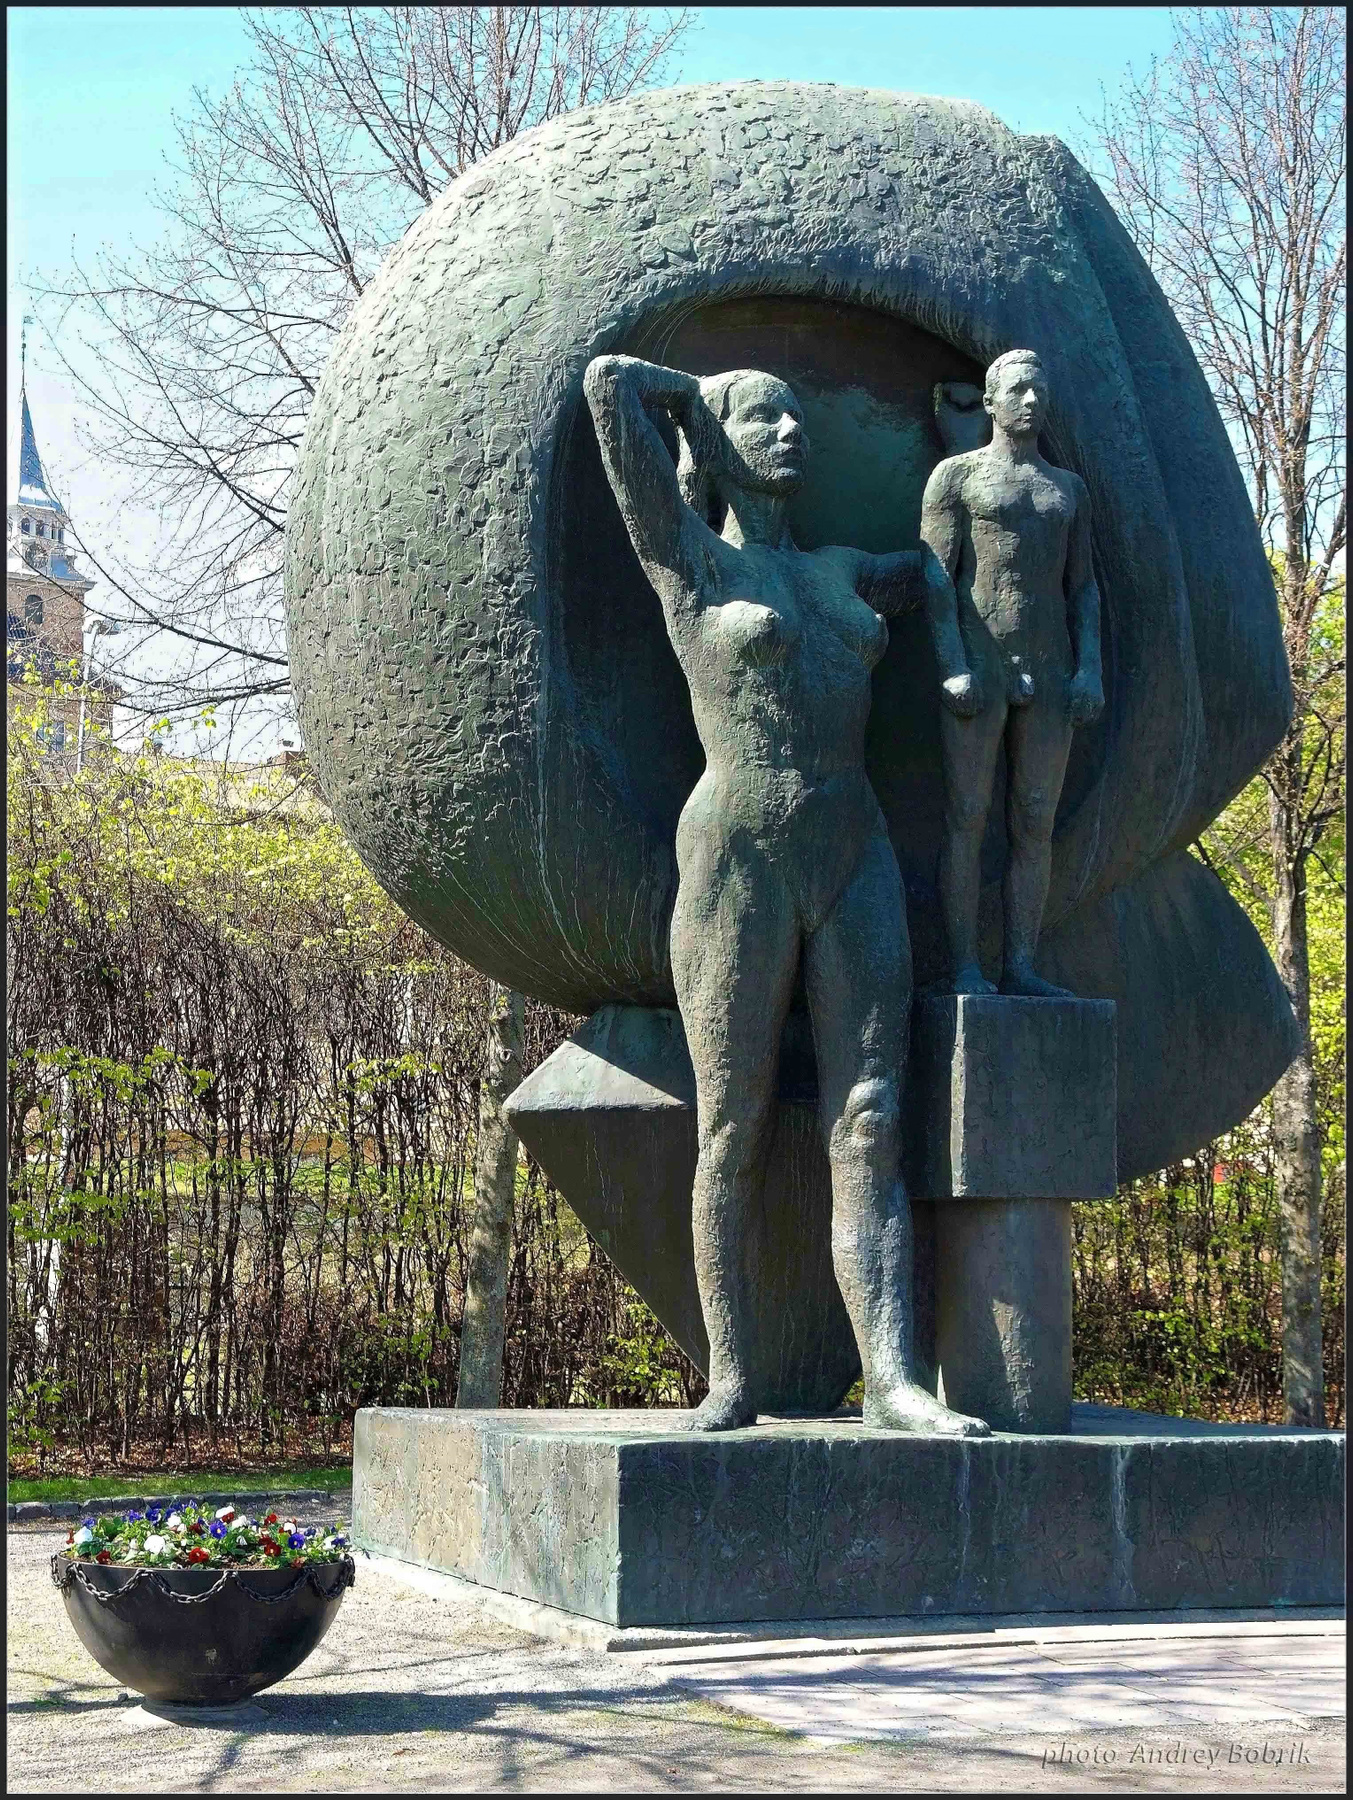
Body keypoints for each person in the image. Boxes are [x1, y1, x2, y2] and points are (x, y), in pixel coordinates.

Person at [583, 353, 989, 1438]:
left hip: (852, 845)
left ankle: (891, 1380)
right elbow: (608, 387)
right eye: (763, 418)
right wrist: (695, 414)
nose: (790, 433)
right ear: (717, 440)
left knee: (871, 1117)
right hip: (738, 859)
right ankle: (731, 1376)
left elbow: (948, 563)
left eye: (796, 416)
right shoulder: (690, 561)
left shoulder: (844, 572)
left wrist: (969, 454)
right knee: (734, 1126)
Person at [920, 350, 1105, 998]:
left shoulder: (1067, 490)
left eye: (1039, 391)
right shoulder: (957, 476)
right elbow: (934, 577)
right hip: (980, 659)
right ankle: (964, 967)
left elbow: (1083, 588)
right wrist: (951, 665)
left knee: (1033, 821)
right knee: (967, 816)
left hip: (1051, 666)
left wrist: (1090, 668)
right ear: (990, 401)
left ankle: (1021, 966)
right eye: (1018, 390)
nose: (1031, 401)